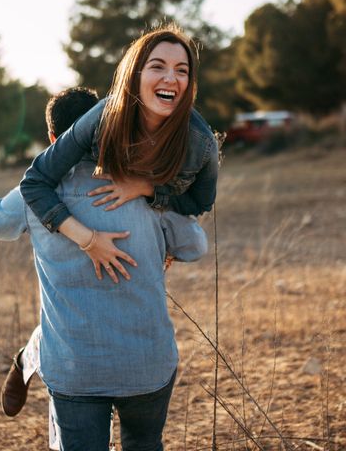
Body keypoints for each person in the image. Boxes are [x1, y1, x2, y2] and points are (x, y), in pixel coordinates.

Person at [0, 87, 209, 450]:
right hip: (148, 363)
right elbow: (195, 245)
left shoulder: (34, 192)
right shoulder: (138, 185)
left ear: (53, 140)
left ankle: (30, 355)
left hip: (74, 366)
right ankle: (30, 353)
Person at [20, 24, 219, 285]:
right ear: (134, 75)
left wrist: (147, 189)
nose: (171, 78)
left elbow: (200, 203)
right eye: (157, 66)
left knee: (195, 242)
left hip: (154, 217)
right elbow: (35, 181)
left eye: (181, 70)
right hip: (99, 214)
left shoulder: (201, 144)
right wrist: (89, 241)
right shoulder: (102, 118)